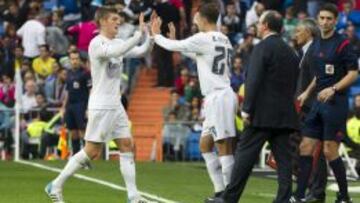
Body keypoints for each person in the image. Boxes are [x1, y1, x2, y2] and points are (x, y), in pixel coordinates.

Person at [45, 7, 155, 203]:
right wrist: (138, 33)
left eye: (119, 19)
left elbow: (140, 51)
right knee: (92, 151)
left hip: (116, 104)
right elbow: (118, 51)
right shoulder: (96, 44)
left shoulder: (119, 41)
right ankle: (56, 185)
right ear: (103, 21)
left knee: (127, 145)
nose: (118, 22)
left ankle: (133, 196)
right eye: (114, 19)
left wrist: (151, 36)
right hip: (101, 105)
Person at [207, 10, 300, 203]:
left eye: (259, 23)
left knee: (244, 158)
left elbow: (253, 80)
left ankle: (229, 198)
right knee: (284, 162)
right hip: (284, 115)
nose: (257, 26)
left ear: (265, 25)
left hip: (261, 115)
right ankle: (283, 199)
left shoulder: (262, 48)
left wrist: (246, 109)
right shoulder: (290, 51)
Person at [151, 2, 238, 201]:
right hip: (217, 96)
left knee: (223, 145)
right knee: (205, 145)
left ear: (203, 18)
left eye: (196, 17)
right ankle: (219, 191)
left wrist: (156, 35)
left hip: (219, 96)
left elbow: (176, 47)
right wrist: (176, 43)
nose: (194, 20)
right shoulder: (224, 38)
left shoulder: (203, 38)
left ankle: (230, 196)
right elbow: (200, 55)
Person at [292, 3, 358, 203]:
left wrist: (334, 88)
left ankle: (344, 197)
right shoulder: (316, 43)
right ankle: (299, 195)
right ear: (318, 19)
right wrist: (307, 92)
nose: (325, 21)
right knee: (306, 147)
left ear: (335, 21)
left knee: (330, 150)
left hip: (336, 104)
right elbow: (318, 76)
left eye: (329, 18)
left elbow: (354, 73)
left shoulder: (343, 44)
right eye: (322, 18)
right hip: (317, 104)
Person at [294, 18, 328, 203]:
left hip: (312, 108)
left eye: (299, 30)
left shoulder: (315, 50)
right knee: (305, 151)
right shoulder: (305, 52)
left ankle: (316, 191)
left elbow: (320, 77)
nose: (295, 34)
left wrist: (307, 95)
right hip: (305, 108)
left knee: (315, 152)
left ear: (309, 32)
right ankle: (311, 189)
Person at [62, 51, 91, 154]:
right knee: (73, 133)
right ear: (70, 60)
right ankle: (75, 157)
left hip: (81, 105)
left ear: (79, 60)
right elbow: (67, 91)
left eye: (76, 59)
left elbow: (91, 90)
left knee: (82, 132)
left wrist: (88, 108)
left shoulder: (85, 73)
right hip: (70, 106)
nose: (74, 61)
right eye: (72, 59)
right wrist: (63, 107)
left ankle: (85, 158)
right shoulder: (69, 73)